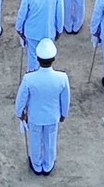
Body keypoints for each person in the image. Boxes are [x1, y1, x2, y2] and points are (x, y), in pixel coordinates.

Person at [15, 37, 71, 174]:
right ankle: (48, 165)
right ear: (54, 59)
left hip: (35, 117)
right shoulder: (62, 77)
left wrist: (19, 113)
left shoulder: (29, 78)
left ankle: (37, 165)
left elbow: (21, 98)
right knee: (50, 140)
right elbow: (65, 99)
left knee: (35, 141)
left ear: (38, 59)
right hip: (52, 116)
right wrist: (63, 114)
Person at [16, 0, 65, 72]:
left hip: (32, 32)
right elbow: (60, 14)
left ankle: (32, 78)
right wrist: (59, 30)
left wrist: (19, 28)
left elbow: (22, 14)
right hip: (49, 31)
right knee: (47, 58)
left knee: (32, 59)